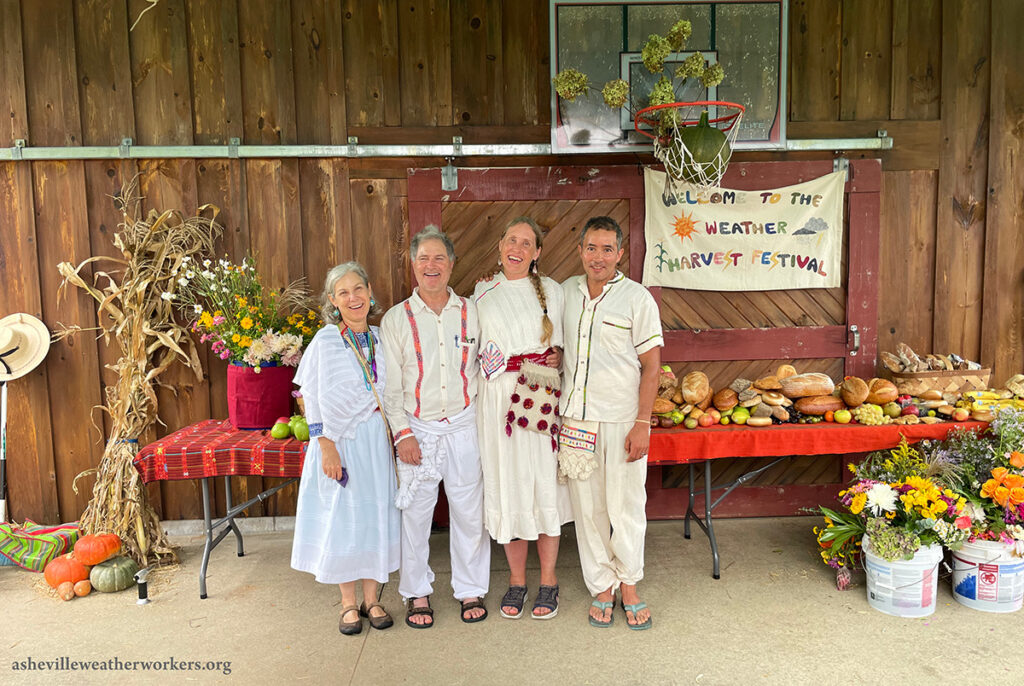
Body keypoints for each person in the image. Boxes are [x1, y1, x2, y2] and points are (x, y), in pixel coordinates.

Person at [381, 225, 490, 628]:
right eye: (423, 258)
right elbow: (390, 385)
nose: (431, 266)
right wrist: (402, 434)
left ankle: (470, 588)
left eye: (439, 258)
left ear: (451, 264)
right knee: (416, 516)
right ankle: (417, 592)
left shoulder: (472, 312)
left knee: (468, 512)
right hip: (418, 430)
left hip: (464, 425)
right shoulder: (397, 319)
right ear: (413, 265)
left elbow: (488, 365)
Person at [559, 216, 663, 630]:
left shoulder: (637, 300)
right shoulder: (565, 292)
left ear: (620, 254)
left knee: (627, 507)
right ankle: (602, 585)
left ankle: (630, 584)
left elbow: (652, 367)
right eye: (591, 248)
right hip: (577, 421)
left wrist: (643, 423)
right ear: (580, 250)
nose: (597, 257)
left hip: (622, 421)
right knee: (589, 510)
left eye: (607, 249)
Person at [290, 262, 400, 636]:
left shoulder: (382, 338)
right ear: (333, 303)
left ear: (370, 292)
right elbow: (311, 397)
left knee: (374, 515)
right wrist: (325, 445)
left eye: (358, 289)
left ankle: (373, 598)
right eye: (343, 293)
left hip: (374, 441)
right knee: (343, 518)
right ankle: (348, 603)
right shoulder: (325, 340)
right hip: (339, 442)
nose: (353, 298)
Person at [474, 217, 572, 620]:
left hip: (539, 395)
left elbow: (564, 343)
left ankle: (549, 580)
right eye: (511, 239)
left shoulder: (553, 291)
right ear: (500, 245)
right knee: (509, 486)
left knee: (543, 486)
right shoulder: (481, 293)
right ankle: (517, 581)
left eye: (526, 242)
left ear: (537, 253)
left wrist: (561, 355)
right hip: (498, 403)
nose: (517, 247)